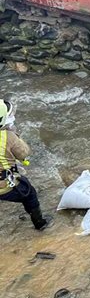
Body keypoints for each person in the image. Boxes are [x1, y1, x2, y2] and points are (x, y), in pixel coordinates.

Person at [0, 99, 52, 230]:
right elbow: (24, 153)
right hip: (3, 184)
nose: (13, 117)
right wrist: (15, 135)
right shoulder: (8, 136)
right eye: (10, 115)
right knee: (30, 194)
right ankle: (40, 223)